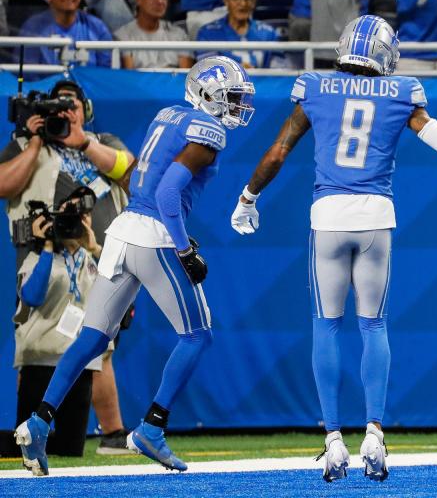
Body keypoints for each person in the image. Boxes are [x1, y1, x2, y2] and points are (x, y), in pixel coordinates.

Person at [230, 15, 437, 482]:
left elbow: (277, 153)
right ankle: (374, 432)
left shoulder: (314, 87)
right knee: (373, 324)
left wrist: (248, 197)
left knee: (326, 325)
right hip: (376, 216)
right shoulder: (401, 93)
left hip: (329, 214)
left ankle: (334, 441)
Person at [15, 56, 257, 476]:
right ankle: (151, 427)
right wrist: (184, 250)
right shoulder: (207, 128)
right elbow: (167, 195)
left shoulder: (168, 115)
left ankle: (38, 422)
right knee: (198, 335)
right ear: (206, 94)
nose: (235, 105)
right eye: (230, 96)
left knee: (91, 338)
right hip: (155, 233)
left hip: (123, 231)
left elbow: (146, 182)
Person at [0, 78, 134, 456]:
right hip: (42, 256)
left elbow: (132, 173)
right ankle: (28, 428)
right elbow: (4, 184)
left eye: (71, 104)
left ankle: (111, 433)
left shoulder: (104, 142)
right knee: (37, 342)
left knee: (100, 343)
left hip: (98, 256)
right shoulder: (27, 144)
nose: (65, 112)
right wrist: (38, 139)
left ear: (85, 109)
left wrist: (84, 141)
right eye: (57, 107)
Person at [14, 191, 106, 458]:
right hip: (40, 362)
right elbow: (32, 296)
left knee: (71, 450)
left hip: (80, 365)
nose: (71, 224)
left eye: (78, 218)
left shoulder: (90, 260)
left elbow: (118, 295)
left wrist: (96, 249)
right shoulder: (37, 259)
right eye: (66, 218)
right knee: (26, 447)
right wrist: (46, 246)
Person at [21, 0, 114, 70]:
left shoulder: (97, 27)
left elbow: (104, 72)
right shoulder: (33, 27)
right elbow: (28, 75)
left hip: (86, 85)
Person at [196, 0, 286, 69]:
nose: (243, 4)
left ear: (255, 1)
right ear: (226, 0)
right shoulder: (208, 34)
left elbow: (279, 75)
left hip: (261, 85)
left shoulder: (269, 34)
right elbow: (208, 76)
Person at [115, 0, 193, 69]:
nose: (160, 1)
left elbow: (184, 78)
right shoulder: (123, 36)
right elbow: (130, 78)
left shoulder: (179, 35)